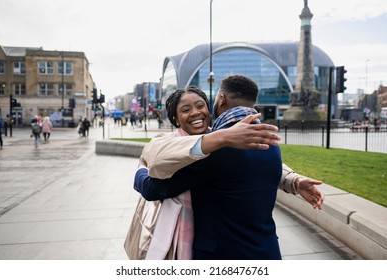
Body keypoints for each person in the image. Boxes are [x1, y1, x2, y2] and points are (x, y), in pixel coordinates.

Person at [134, 75, 323, 260]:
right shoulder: (271, 143)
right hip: (266, 251)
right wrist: (295, 180)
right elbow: (248, 166)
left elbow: (155, 188)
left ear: (221, 99)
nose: (196, 112)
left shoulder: (217, 151)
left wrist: (140, 171)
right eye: (185, 109)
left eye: (201, 105)